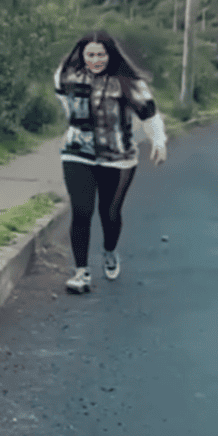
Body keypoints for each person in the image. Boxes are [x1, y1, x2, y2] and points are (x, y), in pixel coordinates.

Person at [54, 30, 167, 292]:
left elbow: (149, 115)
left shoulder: (127, 82)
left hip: (118, 157)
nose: (95, 60)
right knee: (81, 211)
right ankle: (81, 272)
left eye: (101, 54)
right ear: (82, 55)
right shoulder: (67, 76)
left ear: (110, 54)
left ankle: (109, 250)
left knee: (110, 213)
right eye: (90, 54)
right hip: (77, 152)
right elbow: (63, 100)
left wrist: (158, 142)